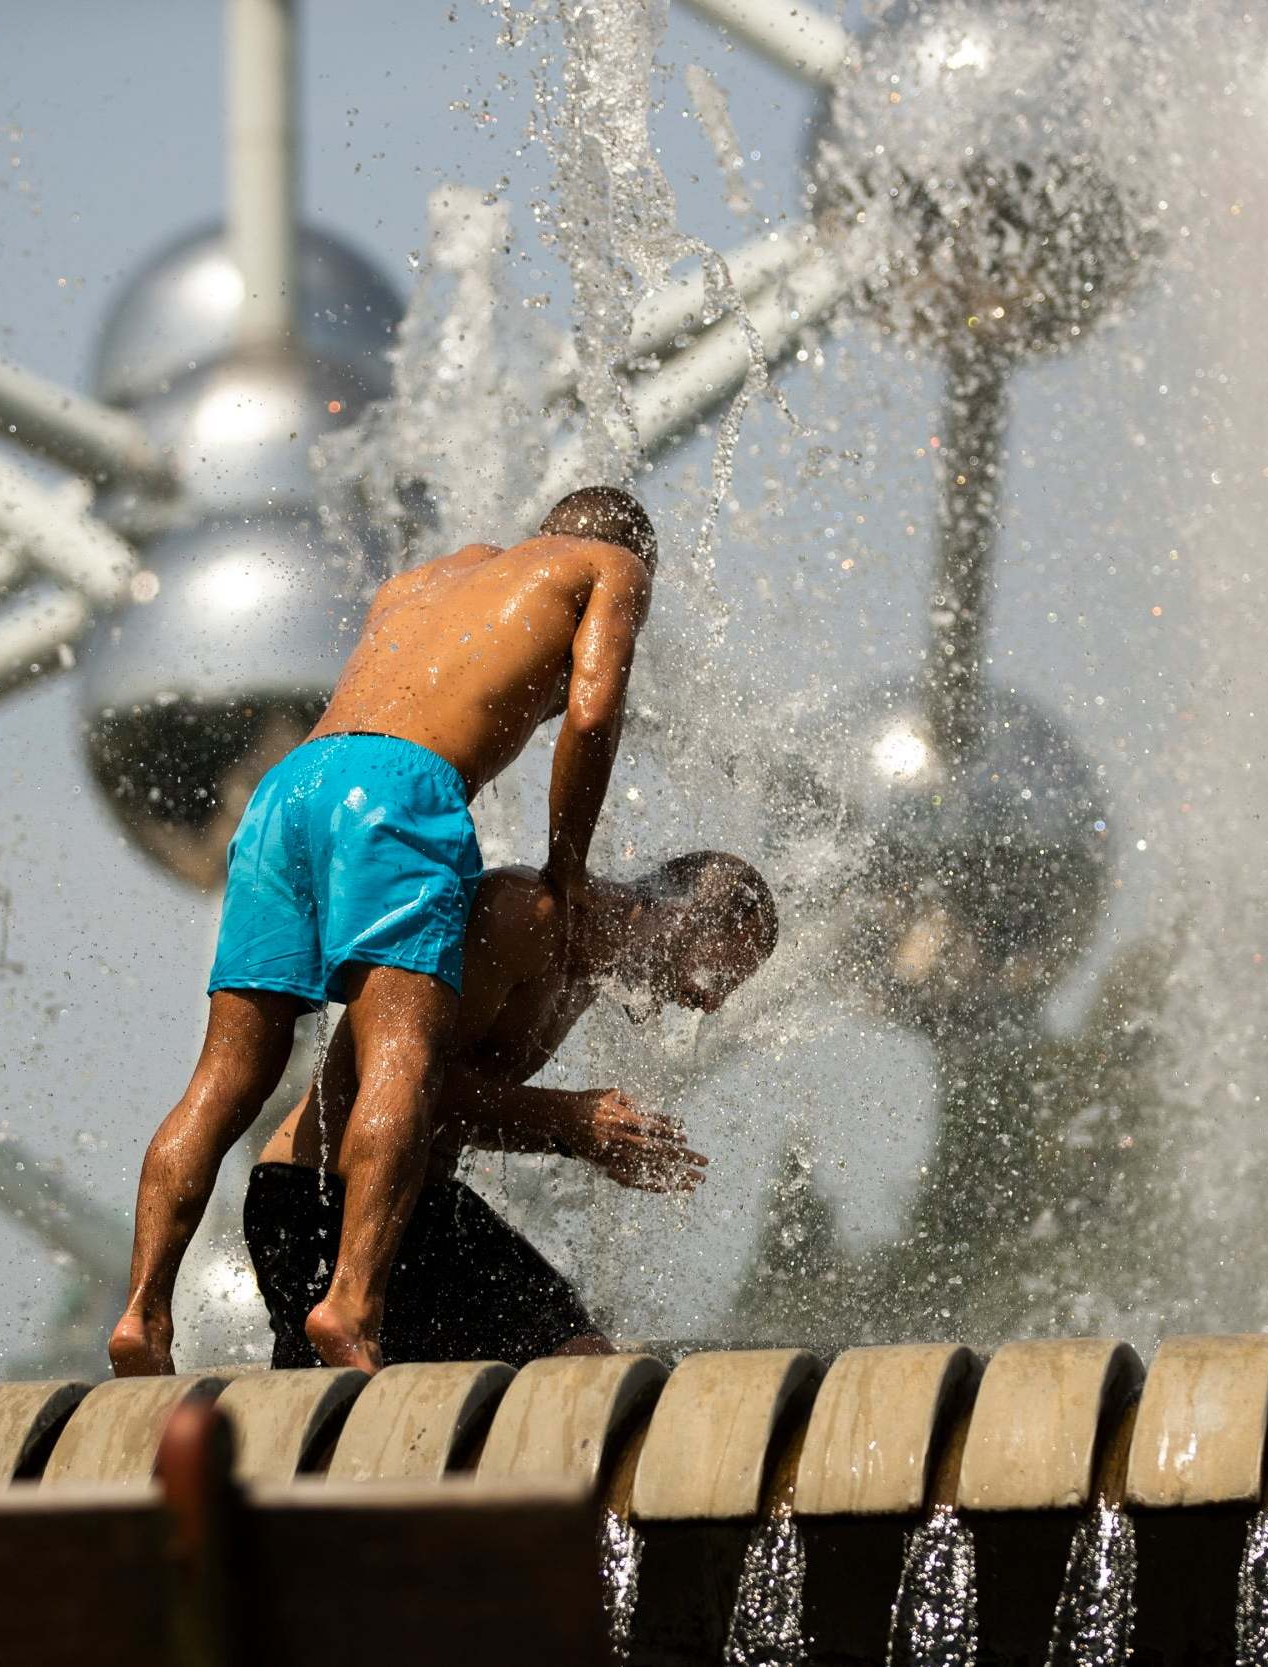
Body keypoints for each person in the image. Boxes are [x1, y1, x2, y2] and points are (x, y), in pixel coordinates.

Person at [109, 486, 661, 1377]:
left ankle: (143, 1314)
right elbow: (593, 714)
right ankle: (354, 1304)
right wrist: (568, 865)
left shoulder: (428, 580)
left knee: (223, 1077)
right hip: (396, 793)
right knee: (401, 1053)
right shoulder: (611, 564)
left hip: (291, 785)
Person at [245, 850, 779, 1368]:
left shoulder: (587, 973)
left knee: (581, 1365)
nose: (709, 1004)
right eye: (718, 977)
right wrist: (565, 1117)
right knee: (336, 1431)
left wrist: (580, 1140)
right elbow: (398, 1081)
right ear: (679, 918)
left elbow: (455, 1115)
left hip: (419, 1206)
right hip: (320, 1202)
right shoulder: (524, 915)